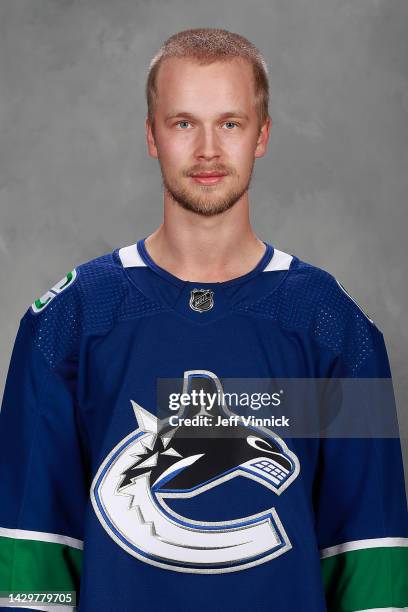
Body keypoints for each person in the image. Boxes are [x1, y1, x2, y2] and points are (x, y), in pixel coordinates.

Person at [0, 27, 407, 612]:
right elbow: (31, 561)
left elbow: (371, 561)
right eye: (184, 122)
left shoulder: (334, 327)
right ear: (151, 135)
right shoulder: (70, 320)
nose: (209, 150)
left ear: (262, 135)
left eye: (231, 123)